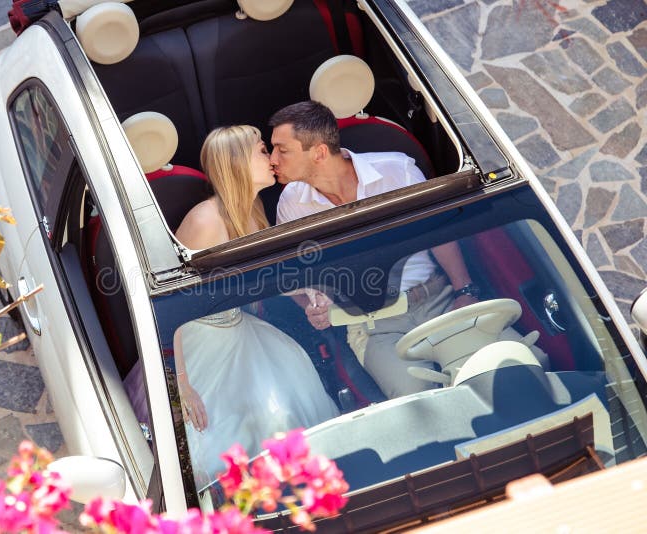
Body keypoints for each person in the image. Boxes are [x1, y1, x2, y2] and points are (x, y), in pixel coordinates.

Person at [268, 100, 548, 399]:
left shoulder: (396, 169)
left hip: (437, 301)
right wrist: (314, 305)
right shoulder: (290, 203)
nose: (273, 159)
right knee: (418, 405)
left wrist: (465, 290)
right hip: (373, 326)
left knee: (518, 369)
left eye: (282, 150)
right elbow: (302, 279)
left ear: (320, 152)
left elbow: (438, 233)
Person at [173, 125, 339, 487]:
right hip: (195, 342)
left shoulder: (254, 210)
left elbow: (262, 280)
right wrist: (181, 384)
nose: (272, 159)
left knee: (290, 392)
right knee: (240, 426)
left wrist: (306, 292)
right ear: (236, 163)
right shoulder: (204, 222)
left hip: (239, 327)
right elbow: (173, 308)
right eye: (263, 151)